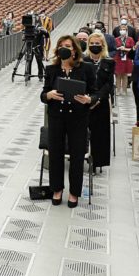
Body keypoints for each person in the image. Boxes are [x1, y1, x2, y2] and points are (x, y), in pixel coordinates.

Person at [41, 36, 97, 208]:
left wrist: (89, 99)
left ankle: (74, 192)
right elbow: (43, 94)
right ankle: (56, 189)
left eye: (68, 46)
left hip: (78, 118)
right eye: (61, 46)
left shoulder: (86, 68)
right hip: (56, 117)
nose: (64, 48)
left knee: (77, 155)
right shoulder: (51, 69)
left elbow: (94, 93)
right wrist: (48, 95)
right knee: (55, 154)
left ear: (75, 50)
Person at [85, 32, 114, 172]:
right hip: (85, 100)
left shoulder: (109, 61)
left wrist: (97, 99)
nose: (95, 46)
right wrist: (89, 98)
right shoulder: (83, 61)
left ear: (103, 45)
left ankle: (97, 162)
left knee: (100, 133)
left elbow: (108, 84)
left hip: (101, 102)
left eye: (97, 44)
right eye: (92, 43)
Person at [112, 23, 135, 94]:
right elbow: (113, 49)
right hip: (118, 58)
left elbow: (133, 49)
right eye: (121, 29)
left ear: (127, 31)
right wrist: (118, 48)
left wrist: (125, 48)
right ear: (119, 31)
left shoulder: (130, 39)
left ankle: (124, 90)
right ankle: (118, 90)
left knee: (125, 75)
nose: (122, 30)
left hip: (127, 58)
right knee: (118, 75)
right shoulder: (115, 39)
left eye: (124, 29)